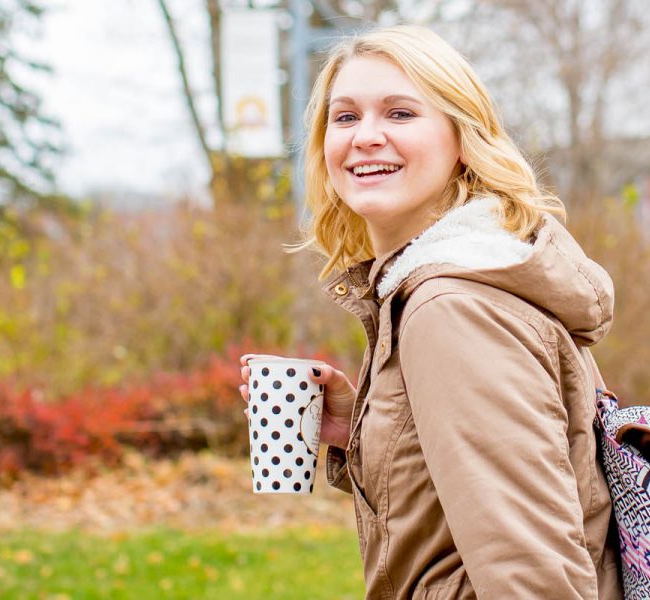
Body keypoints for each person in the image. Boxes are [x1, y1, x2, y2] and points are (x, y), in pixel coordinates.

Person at [238, 25, 622, 599]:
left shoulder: (452, 309)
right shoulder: (468, 278)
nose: (366, 136)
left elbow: (532, 567)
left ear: (462, 138)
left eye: (399, 114)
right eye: (344, 118)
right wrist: (361, 430)